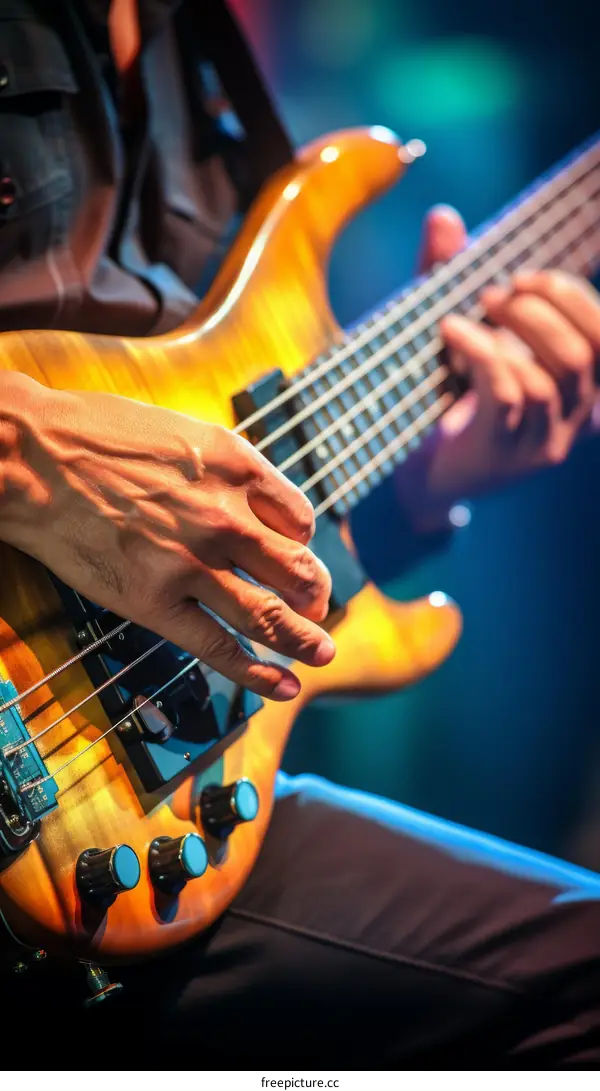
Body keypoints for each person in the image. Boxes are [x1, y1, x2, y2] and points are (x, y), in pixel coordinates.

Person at [1, 0, 600, 1070]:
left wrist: (418, 482)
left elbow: (210, 451)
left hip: (119, 798)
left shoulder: (193, 41)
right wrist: (28, 445)